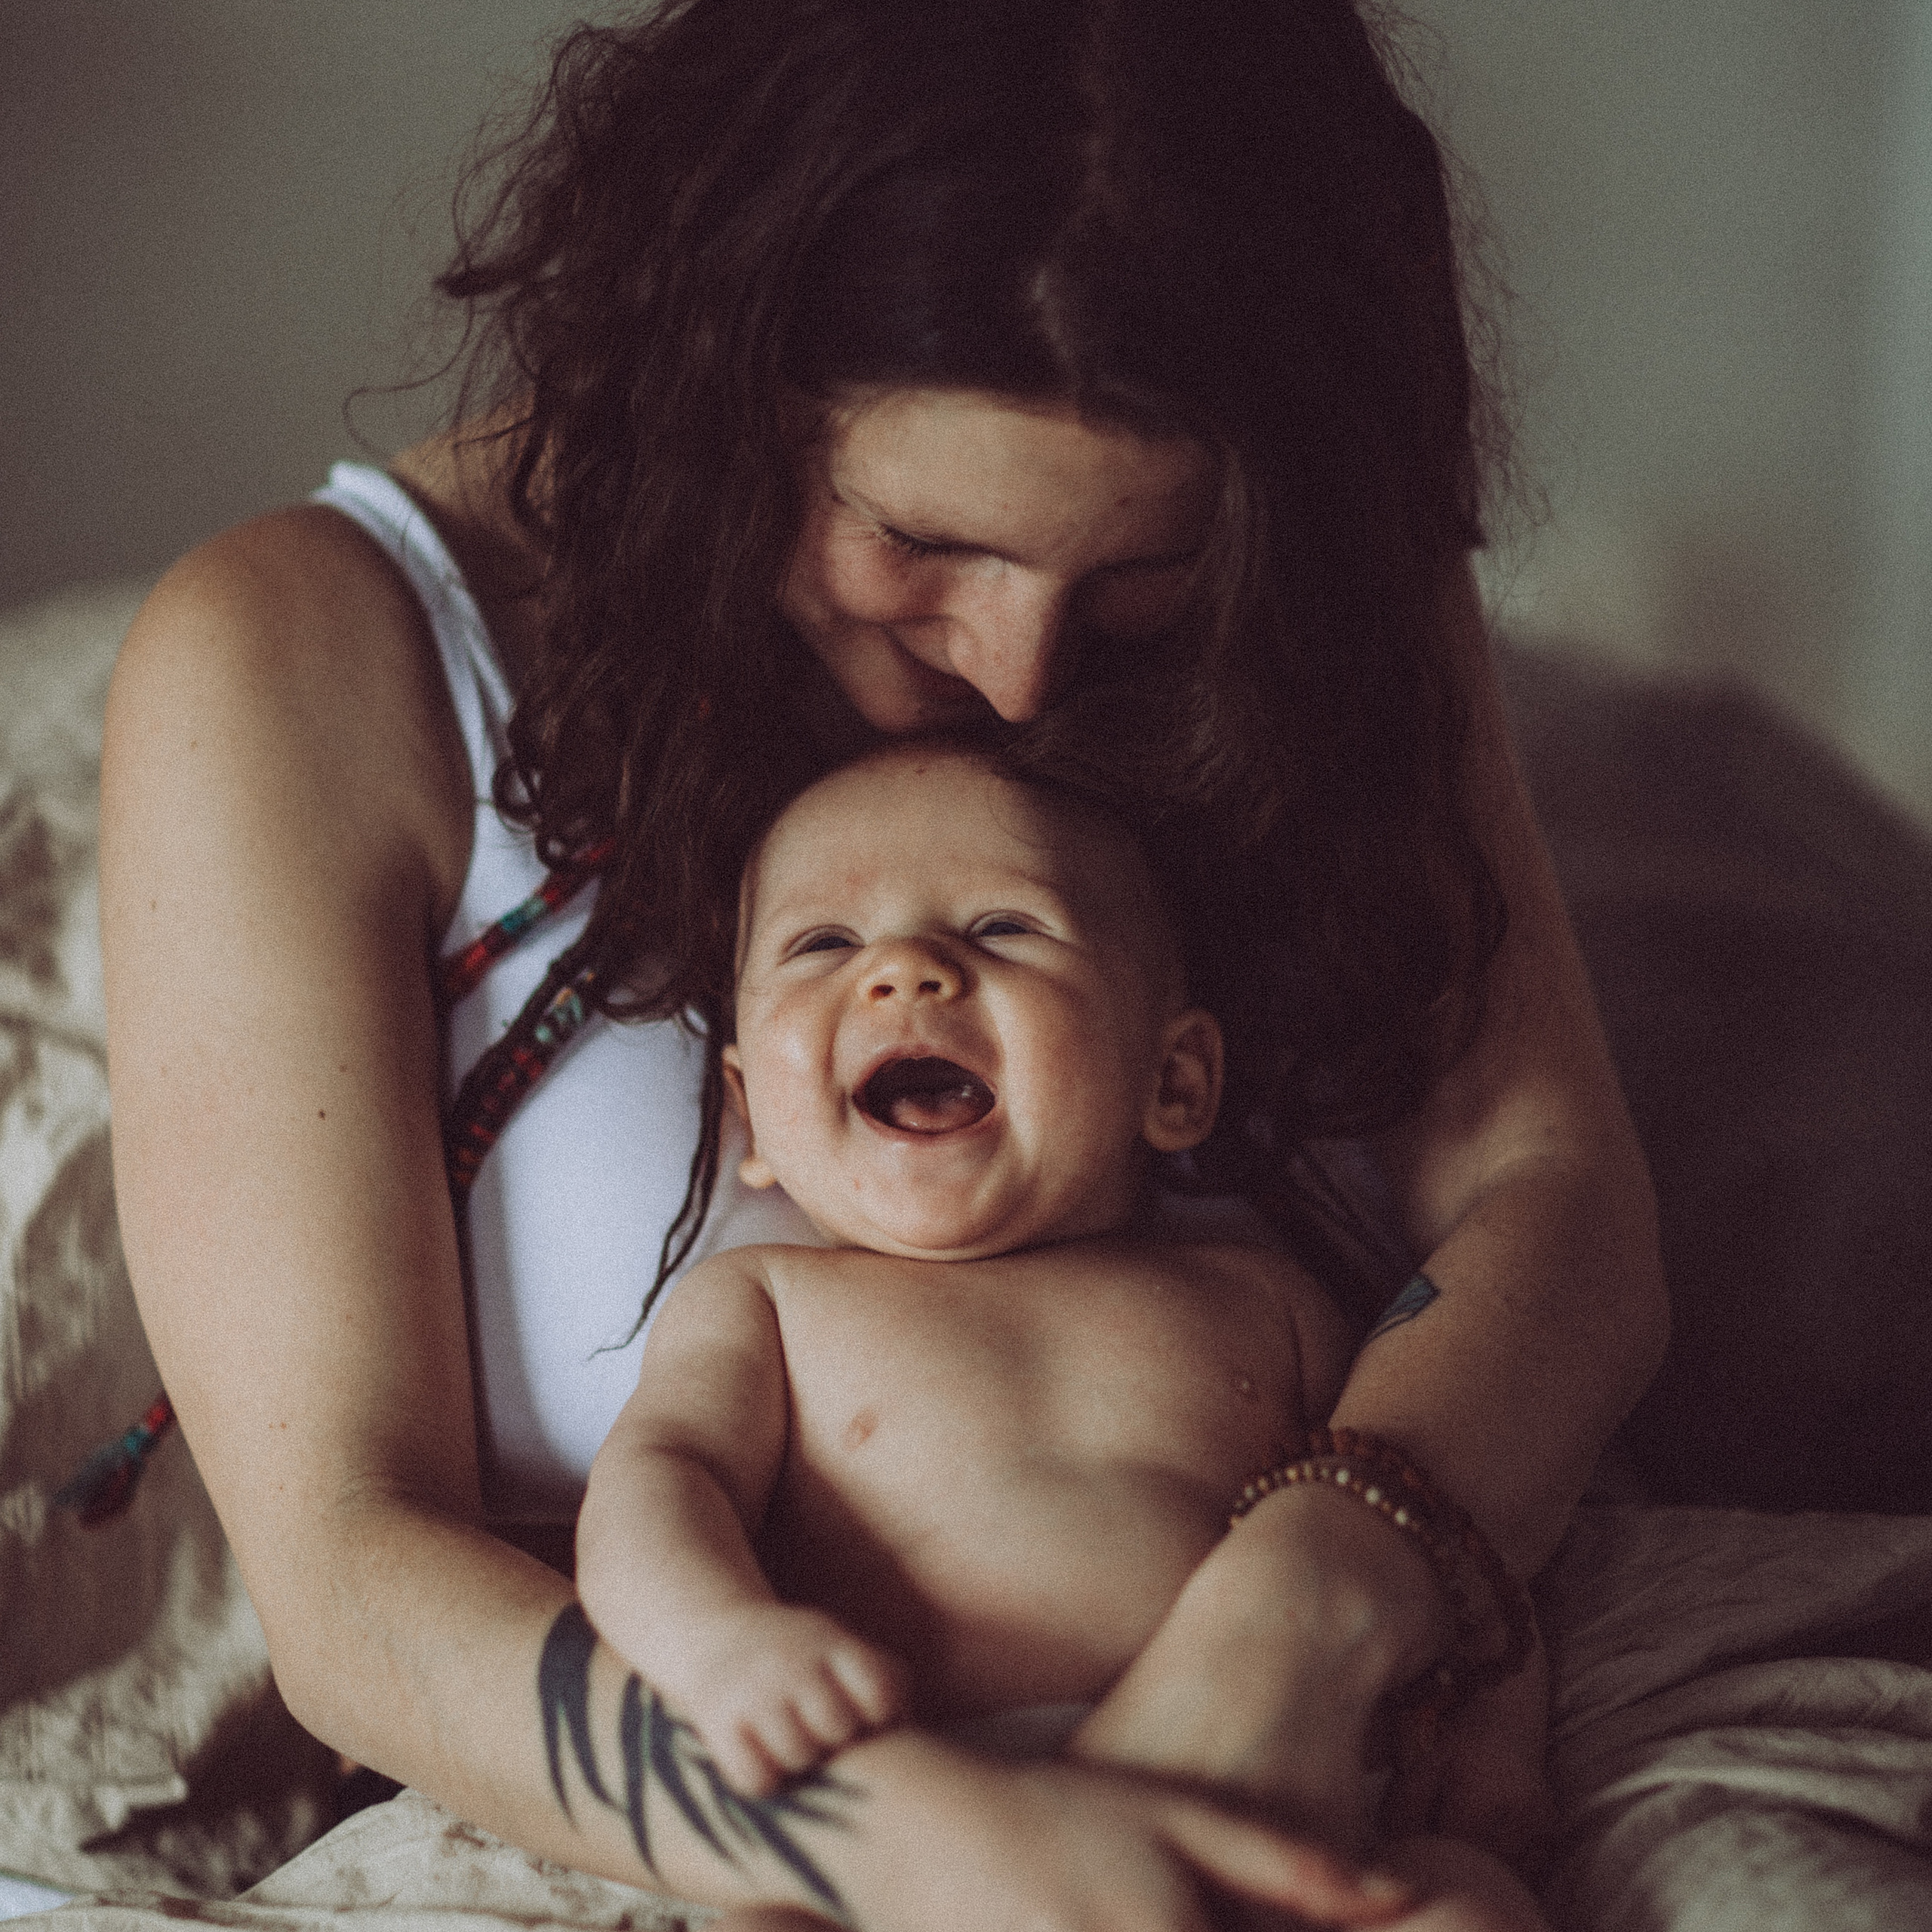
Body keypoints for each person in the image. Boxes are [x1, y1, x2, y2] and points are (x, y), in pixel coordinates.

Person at [97, 0, 1667, 1925]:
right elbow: (348, 1569)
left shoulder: (1291, 547)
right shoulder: (307, 655)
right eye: (923, 538)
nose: (1018, 673)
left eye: (1132, 577)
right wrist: (924, 1842)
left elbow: (1553, 1206)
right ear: (709, 374)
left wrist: (1294, 1622)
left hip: (1360, 1698)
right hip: (730, 1815)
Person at [577, 737, 1552, 1932]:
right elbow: (652, 1487)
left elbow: (1436, 1529)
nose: (905, 970)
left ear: (1176, 1079)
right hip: (935, 1825)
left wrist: (1500, 1741)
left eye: (1002, 929)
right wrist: (720, 1645)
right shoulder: (768, 1302)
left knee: (1473, 1909)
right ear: (749, 1118)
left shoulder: (1265, 1297)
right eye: (824, 944)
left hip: (1262, 1796)